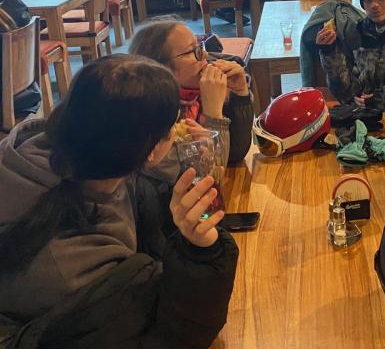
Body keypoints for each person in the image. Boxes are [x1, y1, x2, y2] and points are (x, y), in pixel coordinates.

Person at [0, 55, 238, 346]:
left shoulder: (63, 157)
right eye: (173, 126)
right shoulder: (80, 269)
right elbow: (177, 334)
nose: (179, 129)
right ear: (151, 151)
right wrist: (203, 250)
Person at [129, 19, 254, 172]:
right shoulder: (152, 119)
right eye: (192, 51)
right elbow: (212, 174)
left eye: (200, 47)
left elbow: (235, 153)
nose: (205, 54)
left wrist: (240, 95)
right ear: (162, 68)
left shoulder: (199, 93)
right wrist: (213, 115)